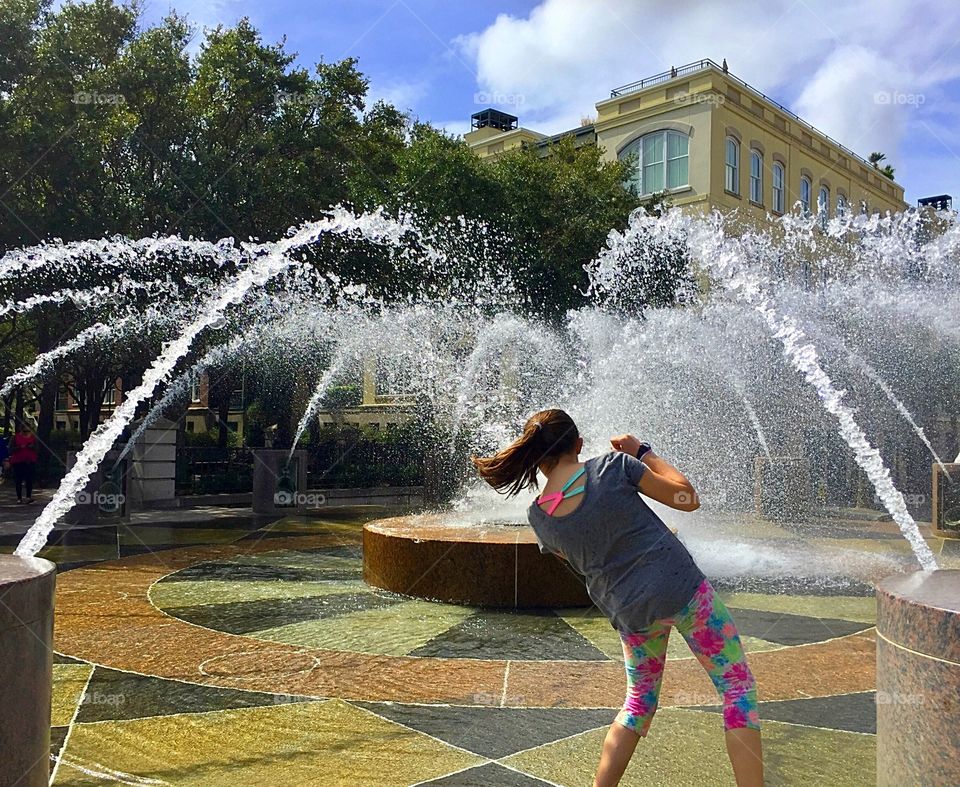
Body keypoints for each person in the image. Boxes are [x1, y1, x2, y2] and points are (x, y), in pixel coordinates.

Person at [472, 409, 763, 787]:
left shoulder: (539, 516)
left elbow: (577, 559)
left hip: (631, 614)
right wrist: (643, 452)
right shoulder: (614, 465)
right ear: (578, 444)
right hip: (685, 592)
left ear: (537, 457)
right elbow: (687, 497)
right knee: (737, 688)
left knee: (638, 704)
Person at [9, 421, 39, 504]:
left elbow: (38, 449)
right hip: (18, 461)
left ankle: (28, 496)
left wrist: (32, 447)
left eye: (28, 431)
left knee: (29, 479)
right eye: (24, 431)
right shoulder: (15, 438)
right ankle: (19, 497)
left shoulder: (33, 438)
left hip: (30, 461)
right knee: (18, 480)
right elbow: (10, 449)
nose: (26, 433)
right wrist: (19, 447)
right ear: (21, 430)